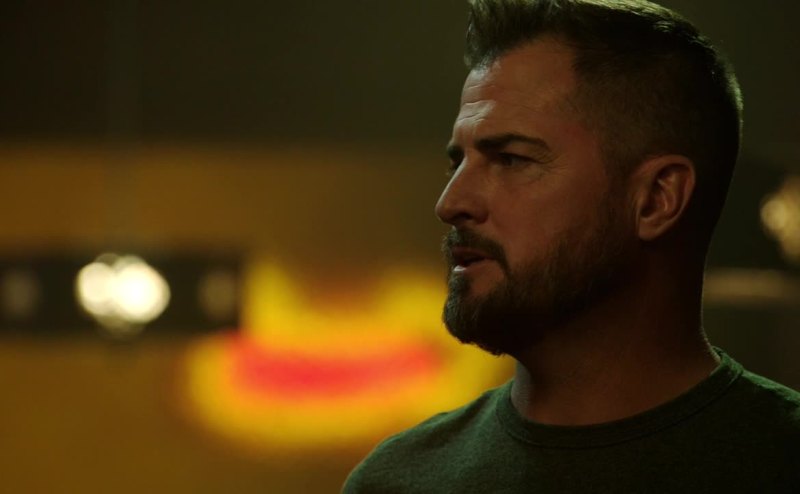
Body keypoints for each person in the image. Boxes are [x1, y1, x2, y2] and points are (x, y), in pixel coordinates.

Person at [343, 0, 800, 492]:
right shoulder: (396, 482)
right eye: (458, 162)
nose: (450, 203)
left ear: (656, 199)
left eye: (511, 159)